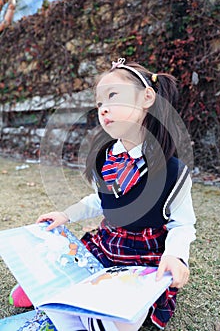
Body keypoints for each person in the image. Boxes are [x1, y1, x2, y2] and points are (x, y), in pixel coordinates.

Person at [11, 58, 196, 331]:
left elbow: (182, 223)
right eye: (99, 103)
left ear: (147, 98)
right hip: (105, 244)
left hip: (143, 257)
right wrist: (66, 215)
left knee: (126, 319)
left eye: (113, 96)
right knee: (31, 290)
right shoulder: (106, 158)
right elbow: (100, 199)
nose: (103, 108)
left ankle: (95, 315)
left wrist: (176, 256)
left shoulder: (173, 171)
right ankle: (69, 299)